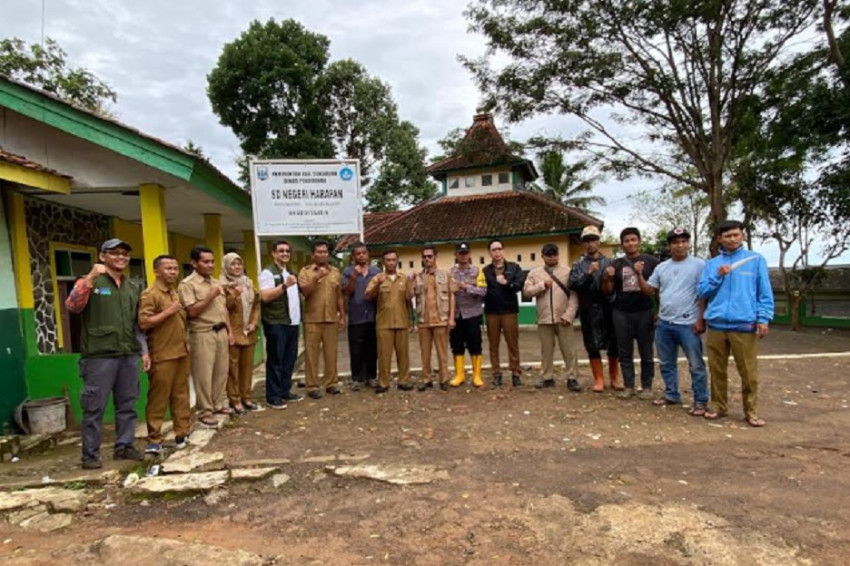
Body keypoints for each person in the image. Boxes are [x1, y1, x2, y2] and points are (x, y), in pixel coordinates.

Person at [65, 238, 150, 469]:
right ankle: (90, 455)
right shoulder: (90, 282)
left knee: (127, 404)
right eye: (115, 253)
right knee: (94, 408)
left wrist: (143, 351)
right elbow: (72, 307)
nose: (121, 257)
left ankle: (124, 446)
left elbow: (136, 325)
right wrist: (91, 277)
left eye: (124, 253)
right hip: (99, 357)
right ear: (102, 256)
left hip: (128, 355)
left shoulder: (132, 288)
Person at [698, 220, 773, 427]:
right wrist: (717, 276)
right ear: (720, 239)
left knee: (748, 372)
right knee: (717, 369)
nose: (732, 239)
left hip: (744, 324)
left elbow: (764, 292)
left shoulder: (755, 260)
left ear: (743, 236)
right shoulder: (712, 264)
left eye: (736, 235)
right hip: (717, 324)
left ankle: (751, 411)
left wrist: (763, 318)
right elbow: (703, 292)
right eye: (727, 236)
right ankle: (718, 406)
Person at [638, 228, 709, 414]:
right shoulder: (662, 267)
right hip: (664, 323)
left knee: (696, 364)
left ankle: (701, 400)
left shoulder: (700, 265)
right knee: (666, 363)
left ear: (688, 243)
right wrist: (638, 275)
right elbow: (649, 290)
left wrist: (701, 319)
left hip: (688, 323)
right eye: (676, 242)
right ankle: (671, 394)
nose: (680, 245)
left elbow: (704, 295)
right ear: (669, 246)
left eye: (684, 241)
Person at [139, 254, 191, 454]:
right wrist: (169, 311)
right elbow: (144, 323)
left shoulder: (174, 293)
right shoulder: (150, 294)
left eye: (175, 268)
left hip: (181, 352)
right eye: (168, 268)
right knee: (159, 398)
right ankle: (155, 439)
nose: (173, 272)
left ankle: (182, 433)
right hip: (162, 353)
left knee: (181, 395)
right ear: (156, 271)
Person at [178, 245, 233, 428]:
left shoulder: (216, 282)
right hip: (202, 333)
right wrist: (210, 296)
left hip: (221, 331)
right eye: (205, 262)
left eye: (212, 261)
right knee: (203, 374)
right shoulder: (188, 284)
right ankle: (205, 411)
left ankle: (218, 404)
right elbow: (192, 311)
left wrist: (229, 331)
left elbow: (223, 309)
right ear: (194, 263)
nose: (210, 265)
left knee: (221, 371)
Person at [602, 227, 659, 400]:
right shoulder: (616, 264)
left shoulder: (651, 261)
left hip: (644, 311)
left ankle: (647, 386)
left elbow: (658, 289)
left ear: (639, 241)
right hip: (621, 312)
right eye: (627, 241)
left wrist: (658, 311)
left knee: (646, 352)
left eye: (633, 239)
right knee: (624, 352)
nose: (630, 243)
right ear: (622, 244)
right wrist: (607, 278)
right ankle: (629, 386)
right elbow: (608, 291)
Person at [569, 225, 621, 392]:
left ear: (599, 241)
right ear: (583, 244)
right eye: (587, 241)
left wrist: (608, 279)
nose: (590, 244)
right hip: (589, 309)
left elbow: (617, 287)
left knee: (614, 343)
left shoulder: (610, 262)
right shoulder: (578, 265)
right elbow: (574, 284)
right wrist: (588, 274)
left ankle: (615, 376)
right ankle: (598, 378)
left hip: (609, 308)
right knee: (592, 344)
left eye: (593, 240)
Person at [523, 243, 580, 391]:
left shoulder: (568, 272)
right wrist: (542, 285)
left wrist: (570, 314)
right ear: (542, 256)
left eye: (554, 254)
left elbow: (574, 295)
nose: (552, 257)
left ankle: (572, 378)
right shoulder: (534, 273)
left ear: (558, 255)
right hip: (544, 318)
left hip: (563, 318)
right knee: (546, 350)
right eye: (548, 254)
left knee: (569, 350)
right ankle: (547, 377)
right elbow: (527, 292)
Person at [298, 240, 346, 399]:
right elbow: (305, 292)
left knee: (331, 353)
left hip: (331, 318)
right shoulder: (305, 272)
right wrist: (317, 277)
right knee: (311, 354)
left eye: (325, 252)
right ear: (313, 254)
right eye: (319, 252)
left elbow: (339, 296)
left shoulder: (335, 272)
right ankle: (312, 386)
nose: (322, 254)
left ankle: (331, 383)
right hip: (312, 319)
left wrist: (342, 316)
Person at [258, 240, 303, 409]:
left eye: (287, 251)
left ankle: (285, 390)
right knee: (276, 360)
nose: (285, 254)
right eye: (281, 251)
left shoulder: (289, 271)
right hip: (276, 322)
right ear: (274, 253)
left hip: (292, 322)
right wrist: (285, 285)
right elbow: (265, 297)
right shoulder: (268, 273)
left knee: (289, 359)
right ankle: (273, 396)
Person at [365, 249, 414, 393]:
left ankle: (403, 380)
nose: (391, 262)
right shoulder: (378, 278)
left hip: (401, 321)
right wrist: (376, 285)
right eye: (388, 260)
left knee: (403, 354)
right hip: (384, 323)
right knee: (384, 355)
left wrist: (411, 320)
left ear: (397, 261)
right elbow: (368, 296)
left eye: (393, 260)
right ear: (383, 262)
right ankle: (384, 382)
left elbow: (408, 300)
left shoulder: (404, 279)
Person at [411, 246, 456, 391]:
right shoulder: (418, 277)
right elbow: (408, 296)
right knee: (425, 353)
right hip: (424, 320)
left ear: (436, 257)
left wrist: (451, 318)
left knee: (442, 352)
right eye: (424, 257)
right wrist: (411, 280)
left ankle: (444, 379)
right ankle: (426, 379)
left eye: (430, 256)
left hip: (441, 319)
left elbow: (452, 296)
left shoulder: (445, 275)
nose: (427, 259)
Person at [482, 239, 526, 388]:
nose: (497, 252)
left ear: (503, 250)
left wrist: (506, 283)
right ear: (489, 253)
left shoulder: (514, 268)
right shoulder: (485, 271)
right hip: (491, 312)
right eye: (494, 250)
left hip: (509, 311)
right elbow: (482, 290)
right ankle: (497, 374)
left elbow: (520, 285)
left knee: (512, 343)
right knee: (493, 345)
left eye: (499, 249)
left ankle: (515, 373)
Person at [221, 252, 260, 414]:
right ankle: (234, 399)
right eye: (233, 264)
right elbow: (222, 308)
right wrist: (233, 295)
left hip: (248, 331)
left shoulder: (248, 283)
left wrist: (254, 322)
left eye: (239, 264)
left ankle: (247, 396)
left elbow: (256, 305)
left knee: (247, 367)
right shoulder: (221, 285)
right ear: (226, 266)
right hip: (232, 332)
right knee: (233, 369)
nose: (237, 267)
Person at [341, 242, 381, 390]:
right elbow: (346, 292)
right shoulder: (347, 271)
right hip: (356, 317)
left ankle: (371, 377)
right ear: (353, 256)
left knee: (372, 348)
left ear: (368, 254)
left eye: (364, 253)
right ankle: (357, 379)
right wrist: (354, 276)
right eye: (358, 253)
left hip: (373, 316)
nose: (361, 255)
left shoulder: (376, 271)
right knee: (356, 349)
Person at [449, 242, 486, 388]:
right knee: (456, 345)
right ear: (455, 255)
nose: (463, 256)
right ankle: (460, 375)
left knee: (475, 345)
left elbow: (483, 292)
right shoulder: (450, 273)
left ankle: (477, 376)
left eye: (465, 253)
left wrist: (467, 287)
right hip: (457, 315)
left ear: (469, 254)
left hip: (473, 314)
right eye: (460, 253)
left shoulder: (477, 271)